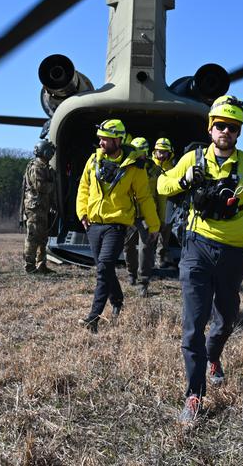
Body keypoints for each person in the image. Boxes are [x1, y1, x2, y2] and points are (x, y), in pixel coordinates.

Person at [157, 95, 243, 426]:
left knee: (227, 318)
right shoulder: (192, 159)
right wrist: (184, 179)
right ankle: (194, 394)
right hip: (196, 247)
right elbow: (163, 185)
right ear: (210, 128)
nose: (225, 131)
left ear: (239, 133)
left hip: (233, 252)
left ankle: (214, 356)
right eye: (220, 125)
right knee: (194, 323)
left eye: (232, 127)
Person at [76, 119, 160, 333]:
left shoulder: (135, 167)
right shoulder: (93, 159)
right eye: (100, 138)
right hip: (94, 224)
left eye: (105, 138)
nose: (101, 142)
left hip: (117, 225)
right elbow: (83, 187)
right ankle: (118, 301)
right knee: (105, 268)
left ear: (117, 140)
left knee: (104, 267)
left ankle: (93, 317)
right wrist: (82, 213)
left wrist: (154, 224)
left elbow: (144, 197)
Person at [123, 137, 157, 296]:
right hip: (130, 214)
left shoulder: (154, 170)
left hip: (145, 215)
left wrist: (160, 218)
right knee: (128, 246)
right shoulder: (126, 167)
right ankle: (131, 273)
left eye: (141, 152)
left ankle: (143, 281)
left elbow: (160, 193)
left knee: (145, 248)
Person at [20, 139, 57, 274]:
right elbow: (41, 187)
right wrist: (54, 185)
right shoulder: (36, 167)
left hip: (42, 206)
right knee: (33, 236)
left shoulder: (45, 167)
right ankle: (29, 266)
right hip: (35, 207)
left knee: (43, 237)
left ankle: (41, 265)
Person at [152, 137, 176, 268]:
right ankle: (147, 260)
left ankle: (160, 259)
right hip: (151, 206)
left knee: (164, 235)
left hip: (167, 206)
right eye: (159, 151)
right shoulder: (149, 165)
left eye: (164, 152)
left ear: (169, 152)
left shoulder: (172, 168)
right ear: (154, 151)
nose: (161, 154)